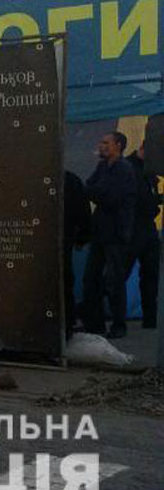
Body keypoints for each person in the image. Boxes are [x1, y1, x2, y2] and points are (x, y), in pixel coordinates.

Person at [82, 131, 138, 339]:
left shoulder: (125, 170)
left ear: (118, 145)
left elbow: (111, 198)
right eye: (101, 141)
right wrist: (98, 191)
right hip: (100, 232)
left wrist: (97, 192)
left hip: (116, 234)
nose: (101, 145)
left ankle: (118, 324)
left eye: (106, 142)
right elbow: (90, 188)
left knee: (114, 280)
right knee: (91, 278)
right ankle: (94, 324)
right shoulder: (102, 167)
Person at [126, 139, 162, 328]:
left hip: (147, 228)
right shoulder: (128, 168)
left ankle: (150, 318)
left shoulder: (148, 171)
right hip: (132, 228)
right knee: (119, 275)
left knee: (151, 275)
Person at [62, 170, 92, 338]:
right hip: (63, 241)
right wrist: (82, 238)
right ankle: (66, 326)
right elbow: (84, 212)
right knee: (65, 281)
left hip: (36, 242)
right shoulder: (71, 180)